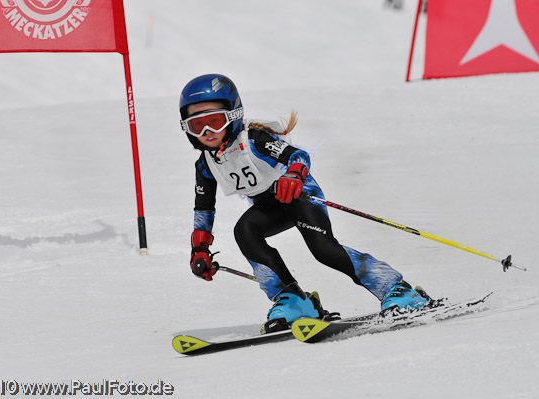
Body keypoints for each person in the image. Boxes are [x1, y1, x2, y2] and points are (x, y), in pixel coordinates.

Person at [180, 73, 430, 332]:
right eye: (197, 126)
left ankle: (399, 290)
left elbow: (298, 155)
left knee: (324, 250)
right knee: (245, 231)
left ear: (233, 115)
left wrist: (293, 175)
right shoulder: (206, 164)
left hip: (299, 195)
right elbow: (204, 209)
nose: (207, 132)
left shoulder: (254, 140)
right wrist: (199, 248)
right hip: (269, 207)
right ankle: (293, 300)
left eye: (214, 121)